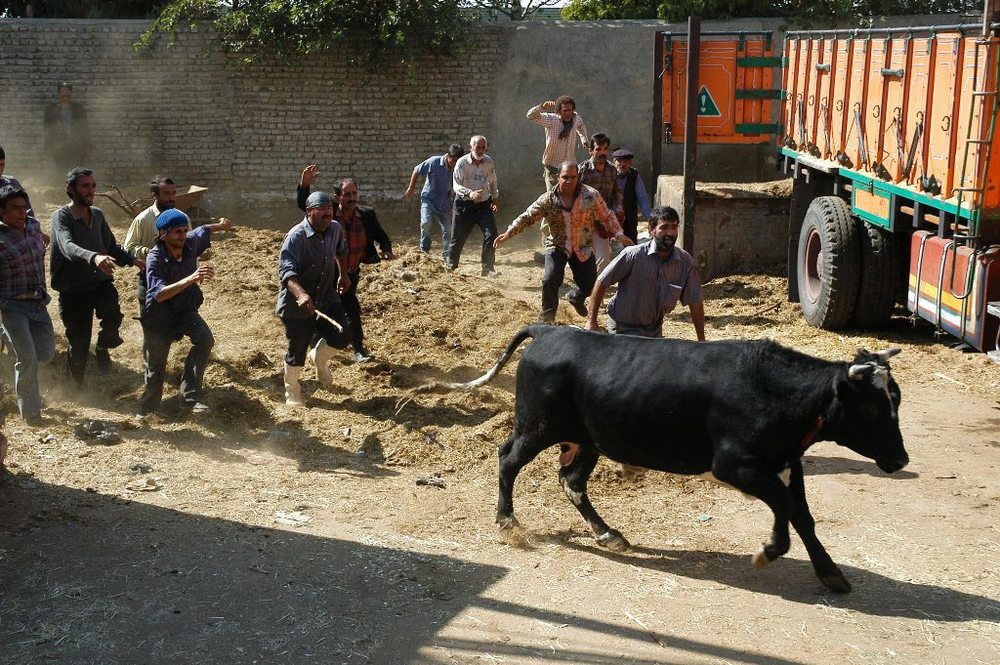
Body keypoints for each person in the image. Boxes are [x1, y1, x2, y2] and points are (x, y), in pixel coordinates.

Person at [494, 161, 632, 323]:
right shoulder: (548, 199)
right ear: (557, 177)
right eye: (565, 177)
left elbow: (606, 215)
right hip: (558, 245)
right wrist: (509, 232)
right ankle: (547, 316)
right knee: (550, 278)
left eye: (573, 177)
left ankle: (576, 297)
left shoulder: (590, 195)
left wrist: (619, 234)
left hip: (582, 246)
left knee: (590, 283)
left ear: (578, 177)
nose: (569, 181)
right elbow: (529, 216)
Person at [50, 167, 142, 385]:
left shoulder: (98, 215)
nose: (90, 190)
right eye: (85, 186)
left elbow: (111, 246)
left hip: (99, 283)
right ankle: (76, 388)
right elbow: (67, 246)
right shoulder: (61, 217)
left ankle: (102, 347)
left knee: (112, 316)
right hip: (73, 290)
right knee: (79, 345)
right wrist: (94, 258)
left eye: (93, 186)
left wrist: (134, 261)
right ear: (70, 189)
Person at [297, 176, 393, 363]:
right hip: (326, 272)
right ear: (337, 197)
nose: (352, 198)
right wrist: (305, 185)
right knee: (322, 306)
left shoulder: (367, 214)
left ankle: (358, 350)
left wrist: (386, 248)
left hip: (350, 272)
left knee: (351, 309)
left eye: (354, 193)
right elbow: (305, 204)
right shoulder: (328, 213)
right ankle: (318, 345)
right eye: (347, 194)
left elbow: (381, 235)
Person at [139, 209, 225, 415]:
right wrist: (192, 278)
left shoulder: (190, 242)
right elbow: (158, 294)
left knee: (205, 339)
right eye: (177, 232)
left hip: (185, 309)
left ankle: (190, 397)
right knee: (156, 369)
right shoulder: (155, 257)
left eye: (185, 230)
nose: (182, 236)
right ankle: (148, 410)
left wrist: (221, 226)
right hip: (160, 316)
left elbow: (203, 229)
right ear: (163, 234)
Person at [277, 191, 353, 406]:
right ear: (309, 211)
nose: (328, 213)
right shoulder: (296, 236)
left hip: (326, 296)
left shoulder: (335, 229)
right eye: (322, 209)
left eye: (330, 209)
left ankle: (319, 358)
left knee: (343, 335)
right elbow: (286, 271)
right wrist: (301, 294)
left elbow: (341, 251)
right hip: (296, 304)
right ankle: (292, 391)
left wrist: (344, 275)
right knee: (298, 347)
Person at [586, 206, 705, 341]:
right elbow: (602, 281)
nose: (670, 233)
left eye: (673, 227)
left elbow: (695, 301)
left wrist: (701, 341)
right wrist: (591, 321)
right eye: (664, 227)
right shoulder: (633, 255)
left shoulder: (685, 262)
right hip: (622, 328)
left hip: (653, 331)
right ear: (651, 230)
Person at [0, 185, 55, 425]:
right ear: (1, 212)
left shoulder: (33, 227)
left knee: (45, 352)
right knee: (28, 358)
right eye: (15, 209)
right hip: (12, 306)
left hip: (38, 303)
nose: (22, 213)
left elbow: (44, 245)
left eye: (24, 208)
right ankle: (31, 413)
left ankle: (8, 337)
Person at [448, 135, 500, 277]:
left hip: (483, 205)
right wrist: (469, 193)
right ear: (471, 147)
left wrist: (495, 198)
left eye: (483, 147)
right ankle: (451, 266)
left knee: (492, 234)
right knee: (458, 236)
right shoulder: (462, 163)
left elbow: (492, 181)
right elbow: (456, 185)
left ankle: (488, 268)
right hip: (465, 205)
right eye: (478, 147)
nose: (481, 150)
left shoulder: (488, 162)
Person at [405, 144, 463, 261]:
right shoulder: (434, 162)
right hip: (429, 199)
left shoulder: (458, 169)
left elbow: (458, 188)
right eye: (453, 160)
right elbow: (416, 170)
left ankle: (447, 254)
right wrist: (411, 188)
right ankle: (425, 250)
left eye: (457, 161)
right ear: (448, 156)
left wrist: (452, 206)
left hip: (444, 203)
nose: (454, 164)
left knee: (448, 229)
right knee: (426, 223)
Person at [579, 133, 622, 271]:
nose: (602, 153)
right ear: (591, 151)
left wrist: (617, 208)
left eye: (605, 149)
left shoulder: (612, 170)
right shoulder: (582, 170)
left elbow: (617, 191)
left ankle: (597, 287)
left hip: (602, 220)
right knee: (581, 255)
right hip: (583, 221)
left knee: (603, 259)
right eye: (598, 149)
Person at [526, 96, 589, 191]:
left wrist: (584, 139)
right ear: (559, 111)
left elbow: (581, 125)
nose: (567, 113)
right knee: (553, 195)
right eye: (564, 110)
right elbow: (530, 116)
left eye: (569, 110)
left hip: (569, 164)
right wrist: (542, 107)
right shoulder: (551, 120)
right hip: (553, 166)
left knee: (572, 193)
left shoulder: (575, 118)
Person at [43, 83, 91, 178]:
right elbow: (47, 129)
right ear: (58, 93)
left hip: (77, 146)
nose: (65, 94)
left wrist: (86, 145)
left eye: (67, 91)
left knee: (78, 172)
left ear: (71, 93)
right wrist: (48, 147)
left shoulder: (78, 109)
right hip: (59, 146)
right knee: (61, 170)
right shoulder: (51, 109)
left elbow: (85, 128)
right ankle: (62, 190)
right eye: (62, 91)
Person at [612, 148, 653, 243]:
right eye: (619, 161)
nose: (622, 164)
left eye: (625, 161)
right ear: (614, 162)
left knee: (631, 245)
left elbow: (642, 198)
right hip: (612, 218)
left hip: (629, 218)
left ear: (630, 163)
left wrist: (650, 219)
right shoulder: (608, 174)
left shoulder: (634, 176)